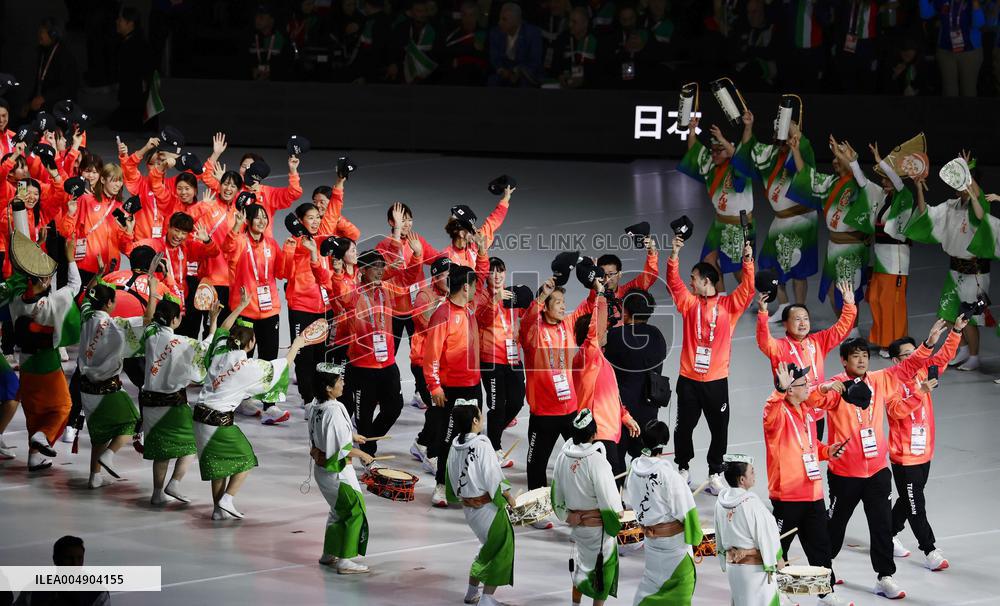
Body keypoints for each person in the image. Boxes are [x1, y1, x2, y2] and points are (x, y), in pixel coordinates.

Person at [815, 320, 953, 600]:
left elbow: (908, 367)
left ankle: (884, 577)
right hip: (845, 473)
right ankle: (822, 573)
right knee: (836, 524)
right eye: (856, 356)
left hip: (877, 471)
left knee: (881, 526)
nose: (862, 360)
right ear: (844, 361)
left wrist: (928, 344)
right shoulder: (837, 388)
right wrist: (826, 389)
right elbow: (813, 401)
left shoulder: (879, 380)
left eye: (865, 356)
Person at [197, 290, 307, 520]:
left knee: (220, 466)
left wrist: (239, 307)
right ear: (251, 344)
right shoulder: (249, 368)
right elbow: (282, 365)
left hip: (198, 417)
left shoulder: (219, 351)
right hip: (219, 421)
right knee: (246, 460)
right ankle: (227, 500)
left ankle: (218, 510)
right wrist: (298, 343)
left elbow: (222, 330)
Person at [667, 234, 754, 494]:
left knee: (719, 430)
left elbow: (748, 289)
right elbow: (673, 283)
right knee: (684, 427)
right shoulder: (689, 303)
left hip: (716, 381)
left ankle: (715, 472)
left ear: (706, 281)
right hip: (689, 380)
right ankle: (683, 468)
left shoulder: (729, 306)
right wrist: (674, 256)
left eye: (693, 278)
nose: (690, 282)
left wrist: (747, 261)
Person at [886, 315, 967, 572]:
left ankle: (886, 532)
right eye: (909, 355)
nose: (917, 358)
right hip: (904, 457)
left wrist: (955, 331)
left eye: (916, 353)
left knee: (908, 499)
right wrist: (919, 393)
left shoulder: (924, 371)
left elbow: (942, 357)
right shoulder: (892, 382)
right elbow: (896, 411)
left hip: (925, 452)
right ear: (897, 360)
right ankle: (930, 549)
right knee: (916, 504)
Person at [765, 363, 850, 606]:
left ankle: (825, 591)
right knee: (777, 547)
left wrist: (827, 451)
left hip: (813, 493)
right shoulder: (777, 413)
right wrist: (778, 391)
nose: (809, 387)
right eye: (804, 384)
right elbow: (770, 410)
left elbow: (810, 446)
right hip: (787, 495)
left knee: (820, 547)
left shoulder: (808, 410)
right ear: (789, 390)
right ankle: (775, 591)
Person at [904, 155, 992, 372]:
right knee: (949, 314)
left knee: (969, 318)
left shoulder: (978, 207)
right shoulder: (951, 206)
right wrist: (919, 190)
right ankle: (961, 349)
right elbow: (927, 215)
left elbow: (980, 208)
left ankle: (974, 356)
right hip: (954, 270)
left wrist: (967, 168)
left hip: (975, 273)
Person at [0, 236, 81, 472]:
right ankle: (44, 437)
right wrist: (69, 258)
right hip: (47, 364)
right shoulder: (53, 302)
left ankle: (35, 458)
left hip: (25, 363)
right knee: (63, 407)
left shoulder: (15, 301)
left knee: (34, 413)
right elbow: (74, 286)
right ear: (45, 280)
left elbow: (16, 278)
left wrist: (27, 250)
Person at [518, 276, 595, 506]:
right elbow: (527, 321)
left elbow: (588, 306)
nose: (563, 306)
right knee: (537, 463)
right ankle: (537, 505)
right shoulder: (534, 333)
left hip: (569, 409)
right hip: (544, 413)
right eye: (558, 302)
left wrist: (595, 289)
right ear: (546, 307)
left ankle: (584, 501)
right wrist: (541, 296)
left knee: (583, 458)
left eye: (563, 301)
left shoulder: (567, 325)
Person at [141, 289, 219, 507]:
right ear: (174, 320)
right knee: (192, 446)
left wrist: (153, 290)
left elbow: (147, 318)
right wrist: (213, 321)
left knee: (161, 451)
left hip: (148, 403)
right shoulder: (182, 342)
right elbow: (206, 347)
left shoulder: (149, 334)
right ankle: (174, 483)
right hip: (173, 404)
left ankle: (157, 493)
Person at [734, 111, 817, 312]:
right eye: (778, 135)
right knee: (769, 264)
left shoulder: (798, 151)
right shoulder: (768, 154)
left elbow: (805, 161)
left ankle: (800, 309)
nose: (781, 140)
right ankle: (783, 306)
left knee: (798, 269)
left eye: (785, 136)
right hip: (780, 219)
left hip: (801, 219)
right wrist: (748, 126)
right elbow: (747, 149)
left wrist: (793, 129)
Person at [423, 258, 489, 507]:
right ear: (465, 288)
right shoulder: (443, 315)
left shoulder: (469, 310)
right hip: (450, 389)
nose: (475, 290)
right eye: (473, 286)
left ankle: (471, 485)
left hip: (473, 384)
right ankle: (441, 486)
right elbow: (431, 354)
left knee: (474, 438)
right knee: (447, 438)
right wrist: (434, 386)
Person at [756, 280, 857, 439]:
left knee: (814, 455)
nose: (803, 323)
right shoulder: (779, 347)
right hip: (794, 412)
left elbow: (841, 330)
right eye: (797, 319)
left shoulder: (818, 341)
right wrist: (762, 314)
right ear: (785, 324)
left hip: (818, 410)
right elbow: (764, 341)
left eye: (806, 319)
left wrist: (849, 305)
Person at [842, 142, 915, 355]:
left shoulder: (904, 198)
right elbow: (864, 183)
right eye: (882, 179)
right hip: (881, 257)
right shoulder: (883, 197)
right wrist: (854, 161)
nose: (883, 182)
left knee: (893, 302)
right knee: (875, 298)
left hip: (897, 260)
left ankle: (896, 343)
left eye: (886, 178)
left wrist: (880, 161)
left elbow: (898, 182)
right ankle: (883, 338)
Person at [76, 274, 148, 489]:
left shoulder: (87, 316)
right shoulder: (117, 326)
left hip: (85, 387)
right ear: (109, 303)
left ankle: (94, 476)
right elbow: (148, 321)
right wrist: (152, 289)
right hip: (107, 388)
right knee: (132, 421)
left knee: (100, 433)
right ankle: (109, 455)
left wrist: (97, 275)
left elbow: (85, 298)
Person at [788, 133, 870, 316]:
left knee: (849, 292)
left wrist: (844, 155)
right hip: (834, 246)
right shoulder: (831, 183)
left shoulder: (859, 185)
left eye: (838, 158)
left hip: (851, 248)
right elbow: (807, 176)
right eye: (834, 157)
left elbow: (857, 173)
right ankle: (843, 327)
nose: (835, 161)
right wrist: (795, 151)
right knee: (832, 290)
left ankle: (853, 330)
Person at [622, 420, 703, 606]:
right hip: (674, 544)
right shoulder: (670, 476)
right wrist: (696, 538)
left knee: (652, 583)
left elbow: (634, 500)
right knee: (682, 587)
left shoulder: (633, 470)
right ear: (665, 443)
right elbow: (687, 510)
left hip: (651, 540)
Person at [222, 204, 289, 425]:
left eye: (264, 218)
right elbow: (227, 249)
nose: (261, 221)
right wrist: (235, 227)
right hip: (246, 308)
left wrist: (288, 253)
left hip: (270, 309)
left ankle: (270, 404)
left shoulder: (271, 243)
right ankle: (242, 399)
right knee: (243, 358)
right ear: (248, 220)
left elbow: (281, 272)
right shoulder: (240, 240)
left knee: (269, 357)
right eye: (257, 218)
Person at [335, 250, 407, 456]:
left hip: (388, 364)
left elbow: (408, 279)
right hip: (362, 367)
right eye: (374, 267)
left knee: (394, 407)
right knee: (363, 417)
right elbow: (342, 295)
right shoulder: (354, 294)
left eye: (382, 266)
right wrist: (338, 274)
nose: (379, 271)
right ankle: (368, 454)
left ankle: (365, 442)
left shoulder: (387, 290)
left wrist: (417, 257)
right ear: (363, 270)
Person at [306, 362, 374, 575]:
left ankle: (329, 553)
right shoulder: (334, 410)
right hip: (337, 472)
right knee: (355, 511)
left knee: (338, 511)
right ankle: (346, 560)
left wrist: (352, 436)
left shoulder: (315, 405)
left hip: (322, 471)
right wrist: (363, 454)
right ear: (328, 387)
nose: (343, 384)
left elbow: (325, 434)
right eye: (339, 381)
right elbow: (340, 449)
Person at [551, 408, 624, 606]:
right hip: (597, 529)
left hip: (577, 525)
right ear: (593, 435)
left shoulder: (562, 457)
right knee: (603, 570)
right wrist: (617, 514)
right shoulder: (597, 462)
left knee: (583, 565)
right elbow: (609, 501)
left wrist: (566, 516)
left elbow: (555, 493)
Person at [446, 401, 516, 606]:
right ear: (475, 420)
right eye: (480, 415)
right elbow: (493, 477)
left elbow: (451, 477)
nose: (482, 417)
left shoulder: (455, 445)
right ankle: (487, 598)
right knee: (503, 547)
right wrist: (509, 498)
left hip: (470, 509)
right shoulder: (481, 444)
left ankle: (471, 592)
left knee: (487, 547)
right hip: (488, 508)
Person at [678, 116, 754, 292]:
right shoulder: (711, 165)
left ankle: (747, 293)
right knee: (708, 260)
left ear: (729, 150)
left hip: (738, 224)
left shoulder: (740, 167)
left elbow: (738, 155)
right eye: (713, 150)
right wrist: (691, 131)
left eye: (719, 150)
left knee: (736, 267)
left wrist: (722, 139)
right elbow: (694, 151)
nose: (714, 154)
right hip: (719, 222)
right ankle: (721, 295)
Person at [572, 286, 640, 479]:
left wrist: (624, 416)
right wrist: (600, 297)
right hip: (598, 433)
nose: (607, 331)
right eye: (604, 329)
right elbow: (595, 328)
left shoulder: (601, 360)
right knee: (607, 483)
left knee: (617, 478)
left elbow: (612, 395)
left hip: (611, 431)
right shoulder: (587, 358)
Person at [603, 289, 666, 466]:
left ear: (626, 312)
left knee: (617, 458)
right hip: (649, 406)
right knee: (644, 458)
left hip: (622, 410)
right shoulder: (657, 335)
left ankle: (619, 490)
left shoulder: (616, 336)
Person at [475, 256, 525, 468]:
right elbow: (481, 318)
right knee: (496, 405)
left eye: (500, 271)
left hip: (512, 358)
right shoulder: (482, 296)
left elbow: (527, 313)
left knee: (517, 401)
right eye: (492, 272)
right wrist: (494, 301)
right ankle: (494, 447)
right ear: (486, 276)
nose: (496, 276)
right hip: (491, 360)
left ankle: (493, 431)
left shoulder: (511, 294)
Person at [714, 455, 784, 606]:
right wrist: (776, 558)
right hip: (754, 572)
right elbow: (767, 534)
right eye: (751, 471)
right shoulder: (751, 503)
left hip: (734, 569)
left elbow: (718, 534)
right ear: (742, 480)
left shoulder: (721, 502)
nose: (755, 474)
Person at [409, 257, 450, 472]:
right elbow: (425, 322)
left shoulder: (450, 295)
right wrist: (440, 305)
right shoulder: (424, 295)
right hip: (422, 361)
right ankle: (431, 453)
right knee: (437, 408)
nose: (450, 278)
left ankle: (421, 443)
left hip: (441, 362)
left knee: (439, 409)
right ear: (435, 277)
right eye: (445, 274)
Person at [13, 536, 109, 606]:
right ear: (56, 559)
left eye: (79, 558)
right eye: (69, 558)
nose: (75, 564)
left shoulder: (98, 593)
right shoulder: (35, 590)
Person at [920, 0, 986, 96]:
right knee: (949, 92)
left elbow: (979, 24)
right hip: (945, 51)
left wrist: (975, 3)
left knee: (968, 91)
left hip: (970, 52)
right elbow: (925, 14)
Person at [111, 6, 153, 131]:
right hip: (129, 99)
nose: (117, 22)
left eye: (120, 19)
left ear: (130, 23)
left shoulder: (136, 45)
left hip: (134, 102)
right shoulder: (128, 42)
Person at [25, 17, 79, 116]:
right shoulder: (43, 52)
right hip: (46, 99)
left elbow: (68, 88)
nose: (39, 34)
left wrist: (44, 98)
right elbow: (40, 81)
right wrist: (29, 102)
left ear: (53, 35)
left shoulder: (64, 57)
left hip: (59, 104)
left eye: (42, 32)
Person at [488, 2, 544, 86]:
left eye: (504, 19)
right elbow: (494, 58)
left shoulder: (532, 33)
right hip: (504, 74)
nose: (499, 23)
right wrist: (502, 70)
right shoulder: (495, 33)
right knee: (492, 81)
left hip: (526, 74)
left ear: (516, 21)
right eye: (499, 19)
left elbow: (534, 61)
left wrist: (517, 72)